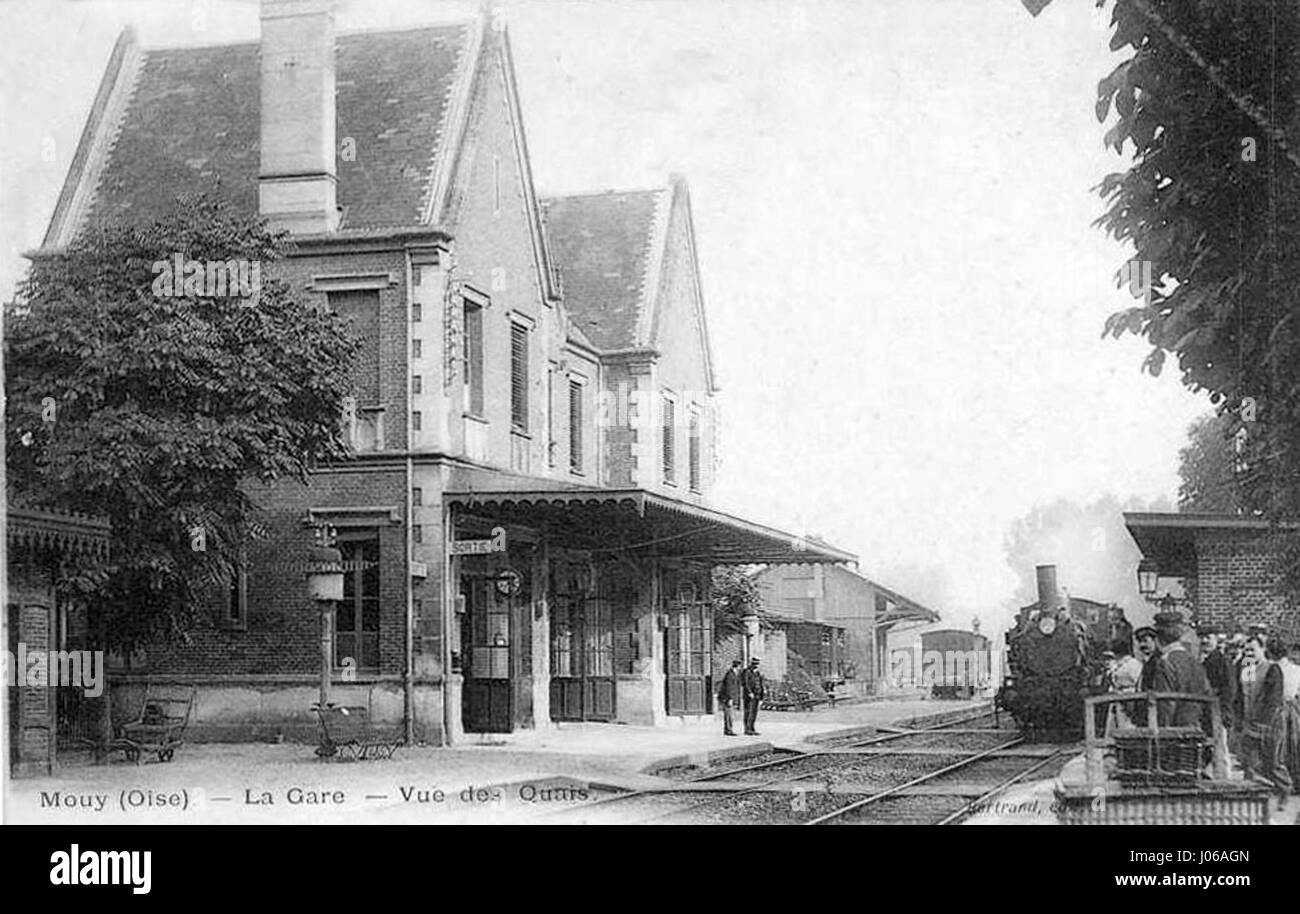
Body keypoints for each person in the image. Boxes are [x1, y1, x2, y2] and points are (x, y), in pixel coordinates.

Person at [1247, 636, 1297, 803]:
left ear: (1264, 650)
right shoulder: (1252, 669)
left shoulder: (1272, 669)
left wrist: (1263, 719)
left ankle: (1283, 790)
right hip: (1264, 717)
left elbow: (1271, 698)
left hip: (1273, 717)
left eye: (1253, 650)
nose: (1249, 653)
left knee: (1273, 757)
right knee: (1257, 759)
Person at [1148, 612, 1213, 728]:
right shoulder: (1194, 661)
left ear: (1159, 638)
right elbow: (1207, 692)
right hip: (1197, 727)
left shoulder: (1165, 661)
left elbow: (1166, 703)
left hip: (1176, 731)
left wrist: (1163, 733)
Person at [1200, 624, 1237, 733]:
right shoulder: (1204, 661)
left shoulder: (1223, 661)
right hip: (1207, 712)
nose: (1204, 640)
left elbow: (1230, 689)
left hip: (1218, 712)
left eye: (1208, 637)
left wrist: (1224, 714)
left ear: (1216, 640)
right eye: (1202, 637)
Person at [740, 657, 766, 736]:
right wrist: (749, 692)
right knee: (748, 712)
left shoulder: (758, 673)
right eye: (755, 664)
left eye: (757, 664)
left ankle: (752, 728)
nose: (756, 666)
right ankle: (747, 729)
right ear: (752, 664)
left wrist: (762, 694)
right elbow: (745, 683)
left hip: (757, 695)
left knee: (754, 712)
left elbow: (761, 684)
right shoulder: (747, 671)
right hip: (750, 695)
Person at [717, 660, 742, 736]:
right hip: (727, 697)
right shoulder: (730, 674)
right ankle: (728, 730)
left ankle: (729, 729)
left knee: (730, 714)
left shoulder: (734, 674)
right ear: (737, 666)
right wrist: (730, 698)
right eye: (739, 666)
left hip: (730, 697)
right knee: (728, 714)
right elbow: (729, 687)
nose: (740, 668)